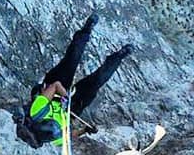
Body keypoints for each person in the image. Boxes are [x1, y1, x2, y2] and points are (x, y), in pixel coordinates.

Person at [22, 14, 133, 147]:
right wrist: (85, 130)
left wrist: (65, 96)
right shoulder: (56, 137)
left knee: (72, 59)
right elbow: (69, 136)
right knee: (97, 80)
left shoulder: (37, 111)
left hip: (56, 88)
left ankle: (86, 30)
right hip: (72, 107)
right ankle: (119, 56)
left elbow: (56, 85)